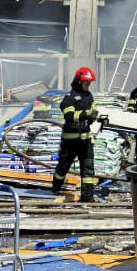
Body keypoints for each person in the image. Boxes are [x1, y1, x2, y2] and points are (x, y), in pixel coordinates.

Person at [54, 66, 99, 202]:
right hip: (71, 141)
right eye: (86, 82)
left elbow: (93, 111)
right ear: (79, 81)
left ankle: (88, 197)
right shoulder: (69, 98)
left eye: (89, 83)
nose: (88, 85)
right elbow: (69, 116)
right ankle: (55, 189)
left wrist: (94, 116)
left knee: (88, 170)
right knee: (63, 167)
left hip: (86, 140)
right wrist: (86, 114)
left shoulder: (89, 96)